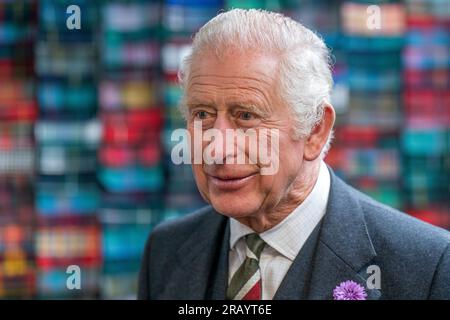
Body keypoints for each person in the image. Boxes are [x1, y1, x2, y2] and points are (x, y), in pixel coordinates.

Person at [138, 9, 450, 300]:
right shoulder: (165, 250)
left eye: (246, 116)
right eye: (202, 114)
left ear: (315, 130)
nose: (217, 150)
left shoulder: (428, 266)